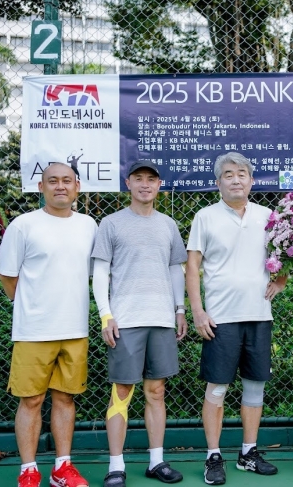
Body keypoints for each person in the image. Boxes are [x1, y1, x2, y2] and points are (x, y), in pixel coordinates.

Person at [186, 152, 288, 486]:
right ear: (218, 182)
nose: (236, 179)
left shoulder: (268, 216)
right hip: (220, 318)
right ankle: (213, 456)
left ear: (251, 180)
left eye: (242, 173)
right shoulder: (205, 216)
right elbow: (192, 267)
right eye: (228, 174)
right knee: (217, 389)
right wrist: (198, 311)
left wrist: (281, 280)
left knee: (255, 387)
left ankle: (248, 453)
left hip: (259, 315)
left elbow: (286, 253)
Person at [0, 162, 97, 487]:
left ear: (77, 187)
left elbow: (94, 274)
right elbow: (8, 277)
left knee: (66, 399)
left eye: (67, 180)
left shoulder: (88, 225)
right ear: (41, 187)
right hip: (34, 331)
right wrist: (33, 307)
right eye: (52, 180)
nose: (60, 186)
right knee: (31, 400)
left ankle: (61, 469)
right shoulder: (23, 225)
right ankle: (28, 470)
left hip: (75, 330)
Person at [91, 160, 187, 487]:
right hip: (125, 320)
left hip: (161, 319)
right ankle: (115, 466)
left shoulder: (168, 225)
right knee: (122, 391)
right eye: (139, 178)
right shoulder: (111, 223)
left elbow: (175, 269)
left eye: (151, 179)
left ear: (159, 185)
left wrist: (180, 309)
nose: (145, 184)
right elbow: (100, 272)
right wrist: (105, 314)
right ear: (128, 183)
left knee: (156, 391)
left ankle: (156, 462)